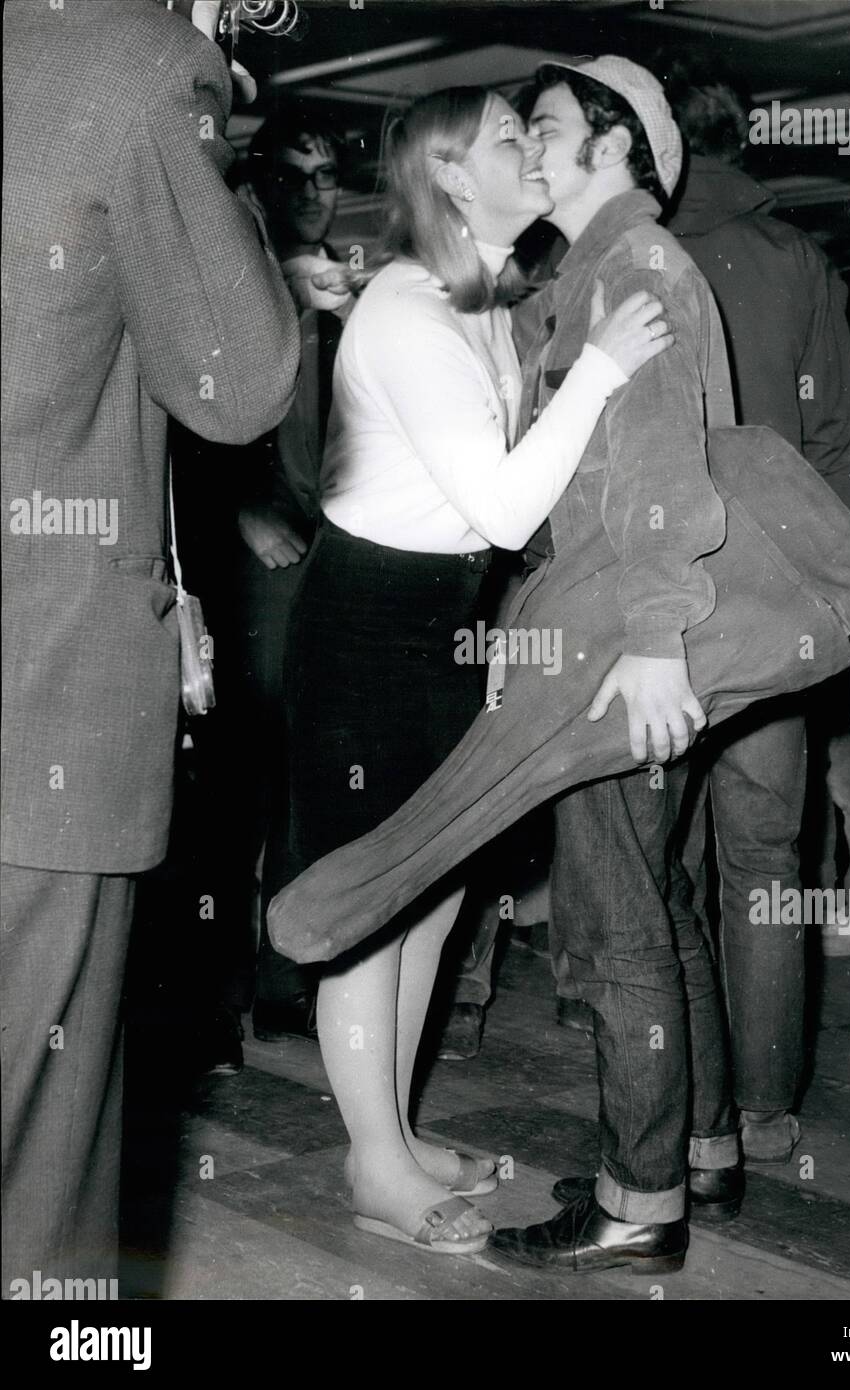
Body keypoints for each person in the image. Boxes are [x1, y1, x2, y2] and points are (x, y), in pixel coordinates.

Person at [284, 84, 673, 1256]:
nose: (529, 148)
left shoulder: (485, 302)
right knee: (367, 900)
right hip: (365, 629)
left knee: (435, 889)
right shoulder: (404, 310)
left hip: (442, 618)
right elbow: (504, 505)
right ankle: (374, 1169)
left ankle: (389, 1131)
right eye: (509, 135)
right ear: (451, 178)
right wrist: (602, 368)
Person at [1, 0, 300, 1289]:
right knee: (46, 1168)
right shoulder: (133, 58)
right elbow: (242, 379)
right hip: (39, 700)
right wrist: (207, 102)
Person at [487, 55, 743, 1274]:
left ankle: (637, 1201)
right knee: (668, 905)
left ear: (617, 145)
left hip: (620, 642)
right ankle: (695, 1145)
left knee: (614, 925)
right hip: (633, 634)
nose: (525, 149)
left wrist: (650, 642)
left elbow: (655, 472)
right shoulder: (609, 263)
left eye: (544, 130)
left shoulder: (630, 266)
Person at [658, 64, 850, 1134]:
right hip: (773, 608)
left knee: (659, 861)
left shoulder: (627, 256)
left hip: (656, 604)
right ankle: (769, 1102)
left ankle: (683, 1114)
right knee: (766, 863)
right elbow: (837, 438)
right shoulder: (798, 260)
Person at [175, 110, 354, 1074]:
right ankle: (211, 998)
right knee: (230, 792)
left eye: (327, 177)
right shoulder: (232, 275)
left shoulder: (339, 290)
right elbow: (188, 414)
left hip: (329, 565)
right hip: (253, 570)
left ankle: (286, 985)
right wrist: (240, 509)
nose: (314, 195)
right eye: (296, 177)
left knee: (302, 782)